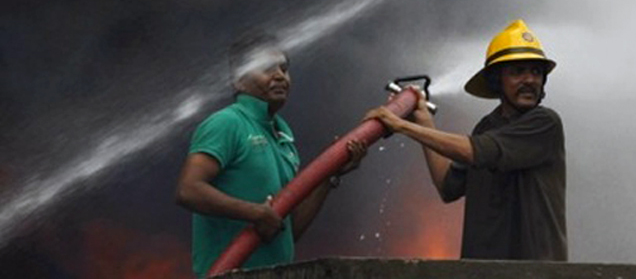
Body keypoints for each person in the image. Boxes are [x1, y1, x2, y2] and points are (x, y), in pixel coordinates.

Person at [365, 19, 566, 260]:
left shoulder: (544, 123)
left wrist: (401, 125)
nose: (530, 80)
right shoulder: (486, 128)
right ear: (496, 81)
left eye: (536, 71)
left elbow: (478, 151)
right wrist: (424, 121)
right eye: (518, 71)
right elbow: (447, 186)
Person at [176, 32, 366, 277]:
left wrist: (329, 177)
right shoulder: (227, 123)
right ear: (239, 81)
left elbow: (287, 230)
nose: (279, 76)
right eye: (266, 68)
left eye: (284, 69)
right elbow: (188, 190)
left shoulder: (283, 138)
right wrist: (255, 212)